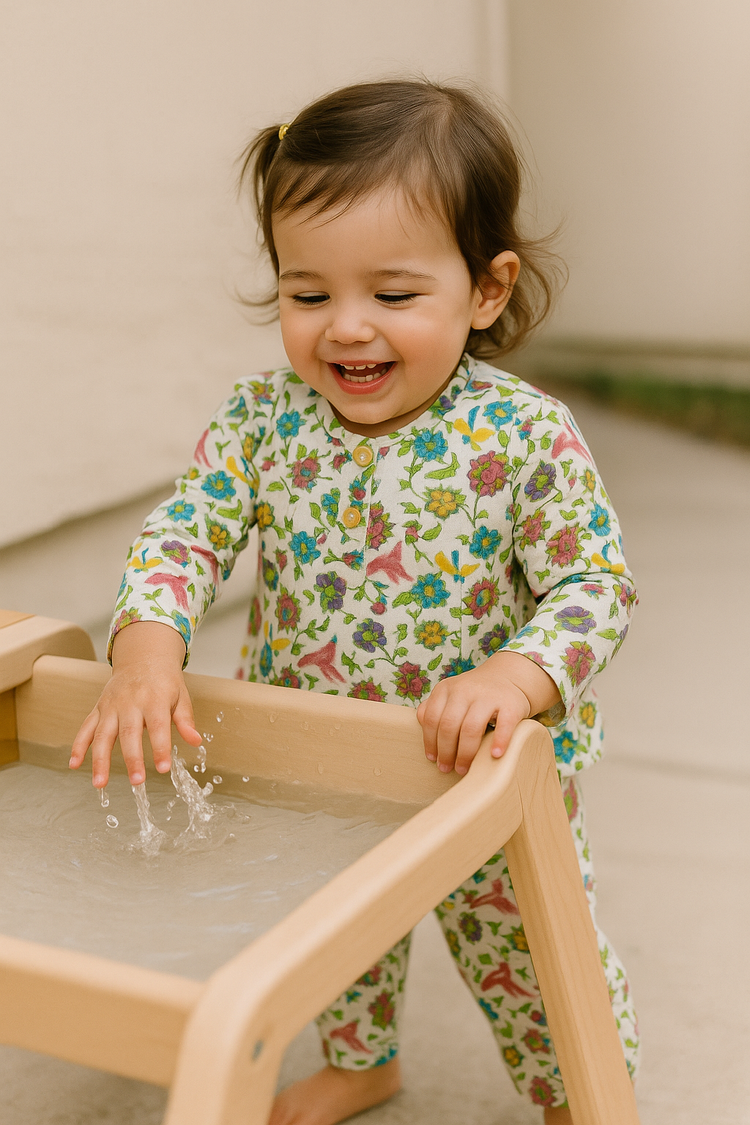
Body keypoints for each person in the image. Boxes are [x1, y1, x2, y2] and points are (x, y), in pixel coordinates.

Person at [71, 79, 639, 1125]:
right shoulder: (264, 422)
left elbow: (592, 582)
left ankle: (574, 1090)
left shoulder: (522, 434)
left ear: (486, 289)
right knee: (330, 928)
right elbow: (185, 530)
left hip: (477, 770)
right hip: (318, 756)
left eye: (392, 293)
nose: (347, 330)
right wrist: (147, 645)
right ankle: (363, 1056)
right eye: (308, 294)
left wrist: (516, 676)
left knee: (528, 947)